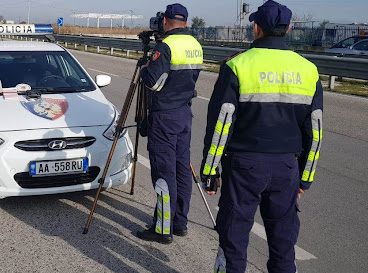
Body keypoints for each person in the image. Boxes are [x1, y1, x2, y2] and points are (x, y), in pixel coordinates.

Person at [200, 1, 323, 272]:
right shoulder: (308, 70)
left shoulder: (237, 66)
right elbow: (315, 132)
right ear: (288, 28)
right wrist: (305, 178)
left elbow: (221, 124)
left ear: (256, 28)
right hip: (286, 169)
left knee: (233, 242)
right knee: (283, 246)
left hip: (244, 167)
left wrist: (209, 170)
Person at [137, 3, 203, 244]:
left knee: (164, 174)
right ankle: (179, 222)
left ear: (165, 20)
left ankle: (162, 229)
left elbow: (152, 82)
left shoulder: (166, 47)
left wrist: (145, 67)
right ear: (185, 21)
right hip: (184, 113)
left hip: (164, 115)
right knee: (181, 168)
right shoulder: (195, 45)